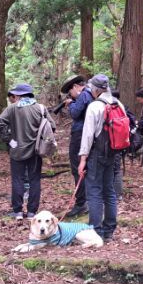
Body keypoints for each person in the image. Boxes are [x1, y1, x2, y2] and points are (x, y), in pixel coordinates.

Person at [77, 74, 124, 241]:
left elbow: (88, 136)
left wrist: (82, 159)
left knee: (94, 191)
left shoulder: (94, 106)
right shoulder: (118, 104)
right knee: (109, 190)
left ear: (95, 89)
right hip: (113, 152)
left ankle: (95, 231)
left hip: (97, 153)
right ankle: (109, 229)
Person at [0, 83, 46, 220]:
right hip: (36, 151)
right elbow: (51, 127)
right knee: (35, 180)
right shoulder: (40, 108)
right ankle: (32, 213)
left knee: (18, 180)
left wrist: (9, 139)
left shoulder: (12, 108)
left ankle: (17, 212)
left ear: (19, 95)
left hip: (17, 150)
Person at [62, 74, 90, 218]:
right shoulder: (90, 94)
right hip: (86, 134)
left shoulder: (84, 95)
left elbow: (75, 113)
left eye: (70, 92)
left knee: (77, 168)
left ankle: (81, 203)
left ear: (75, 87)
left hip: (80, 135)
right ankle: (86, 201)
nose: (70, 95)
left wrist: (71, 104)